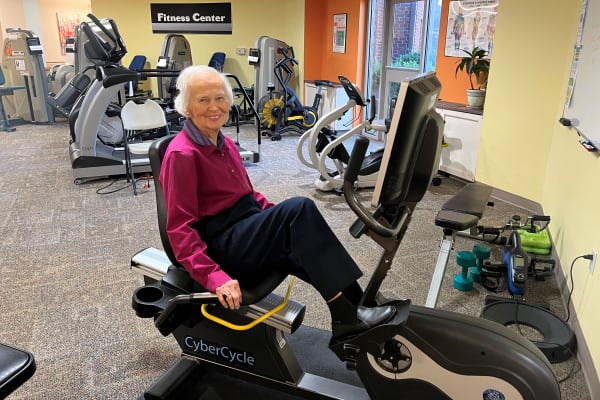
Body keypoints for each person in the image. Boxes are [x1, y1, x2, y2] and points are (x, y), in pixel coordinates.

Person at [160, 65, 396, 342]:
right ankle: (349, 316)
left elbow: (248, 196)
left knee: (301, 237)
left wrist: (279, 220)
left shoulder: (225, 144)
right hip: (222, 246)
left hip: (244, 230)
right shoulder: (182, 155)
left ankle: (355, 306)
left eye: (220, 98)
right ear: (186, 106)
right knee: (299, 209)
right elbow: (180, 229)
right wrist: (215, 277)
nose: (215, 107)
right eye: (203, 100)